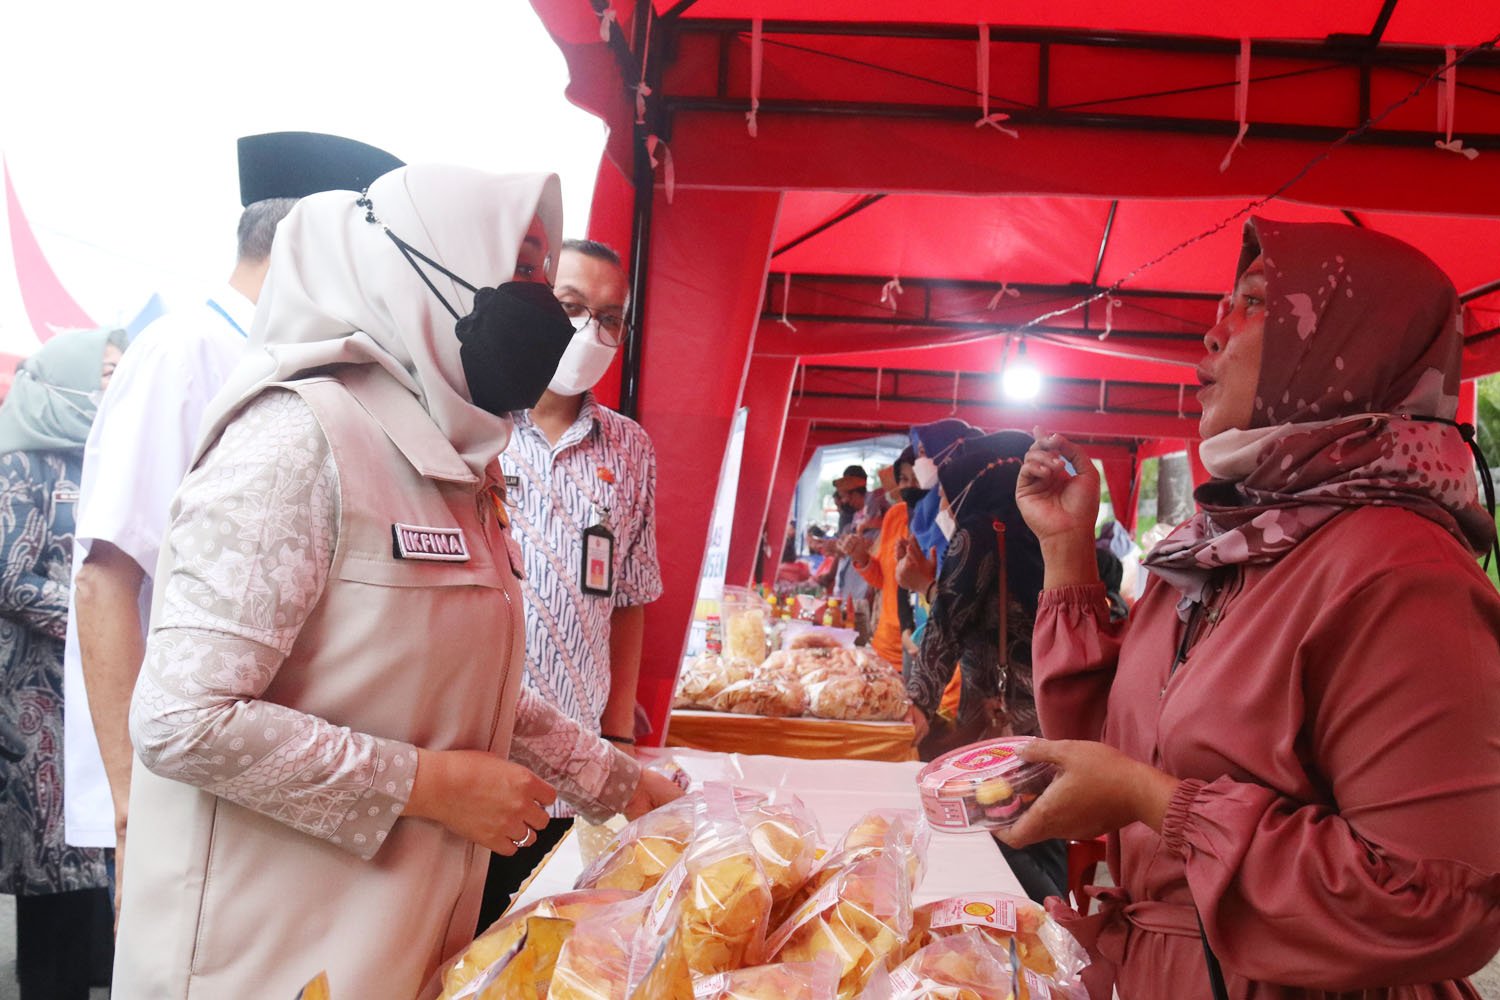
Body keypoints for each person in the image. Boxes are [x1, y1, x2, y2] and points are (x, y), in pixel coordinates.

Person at [112, 165, 679, 999]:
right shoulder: (296, 439)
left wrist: (626, 787)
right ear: (426, 265)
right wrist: (432, 787)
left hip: (389, 936)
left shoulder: (449, 462)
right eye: (518, 268)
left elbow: (470, 685)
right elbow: (179, 718)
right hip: (261, 949)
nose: (532, 304)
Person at [1008, 218, 1500, 997]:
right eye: (1221, 305)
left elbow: (1431, 904)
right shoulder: (1218, 545)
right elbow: (1108, 755)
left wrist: (1155, 801)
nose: (1212, 334)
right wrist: (1067, 553)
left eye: (1253, 304)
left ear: (1346, 341)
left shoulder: (1400, 572)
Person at [65, 133, 404, 914]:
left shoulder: (280, 356)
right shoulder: (186, 353)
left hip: (247, 776)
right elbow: (106, 579)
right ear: (309, 244)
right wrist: (130, 803)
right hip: (172, 782)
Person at [477, 239, 662, 929]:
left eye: (611, 317)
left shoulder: (629, 447)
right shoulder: (479, 427)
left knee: (564, 946)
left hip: (583, 764)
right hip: (484, 756)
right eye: (572, 307)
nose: (591, 332)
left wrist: (618, 739)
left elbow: (631, 597)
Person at [0, 327, 125, 999]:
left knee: (89, 861)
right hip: (37, 703)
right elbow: (9, 580)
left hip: (93, 694)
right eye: (103, 373)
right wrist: (101, 616)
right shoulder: (20, 465)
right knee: (48, 870)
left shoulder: (102, 458)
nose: (113, 384)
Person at [844, 447, 917, 671]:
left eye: (918, 479)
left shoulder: (943, 523)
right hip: (884, 648)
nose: (910, 487)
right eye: (904, 479)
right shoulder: (895, 516)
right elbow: (884, 581)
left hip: (920, 651)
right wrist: (861, 558)